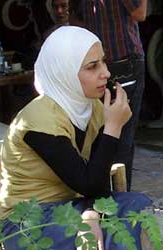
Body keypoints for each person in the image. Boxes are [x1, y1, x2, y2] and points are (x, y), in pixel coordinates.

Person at [0, 26, 151, 250]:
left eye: (103, 62)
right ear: (64, 72)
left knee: (138, 205)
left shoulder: (94, 109)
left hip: (74, 204)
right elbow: (87, 182)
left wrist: (90, 214)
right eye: (92, 67)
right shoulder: (39, 118)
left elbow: (98, 182)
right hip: (27, 221)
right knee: (114, 230)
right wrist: (114, 127)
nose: (106, 73)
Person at [69, 0, 148, 191]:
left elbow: (74, 18)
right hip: (123, 61)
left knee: (99, 131)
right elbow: (140, 13)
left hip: (95, 62)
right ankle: (118, 201)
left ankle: (102, 196)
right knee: (122, 136)